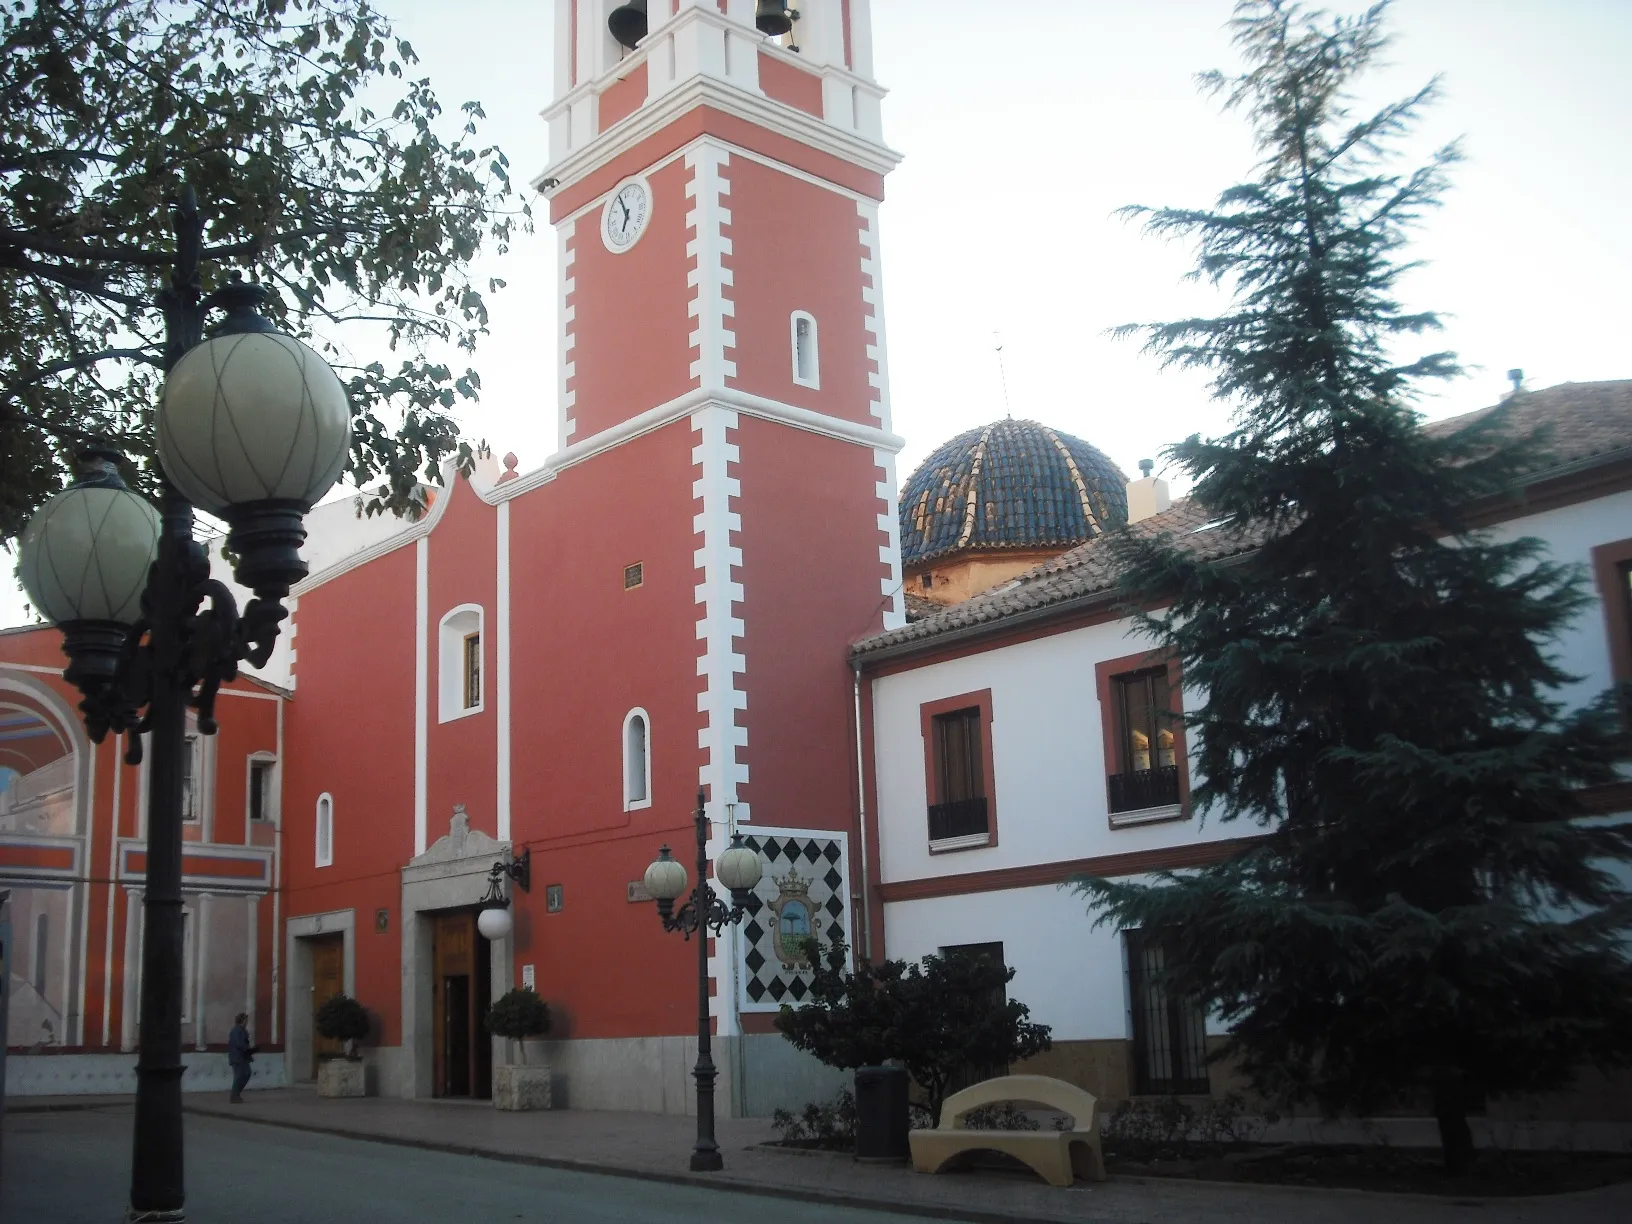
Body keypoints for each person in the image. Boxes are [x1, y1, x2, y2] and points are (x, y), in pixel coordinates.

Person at [227, 1012, 255, 1103]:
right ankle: (234, 1095)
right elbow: (238, 1044)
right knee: (239, 1076)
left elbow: (245, 1043)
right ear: (241, 1021)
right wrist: (247, 1049)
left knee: (247, 1073)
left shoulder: (244, 1031)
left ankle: (236, 1093)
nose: (246, 1022)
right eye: (245, 1020)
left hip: (244, 1057)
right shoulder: (235, 1031)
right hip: (237, 1057)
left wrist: (250, 1050)